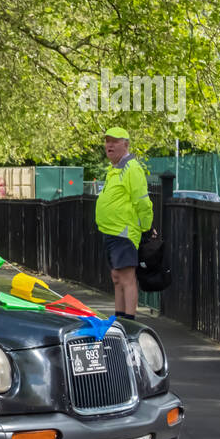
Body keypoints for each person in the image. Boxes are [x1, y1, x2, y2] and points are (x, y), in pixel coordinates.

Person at [95, 126, 152, 320]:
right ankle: (119, 319)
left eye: (114, 141)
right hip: (112, 232)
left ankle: (129, 323)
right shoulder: (115, 169)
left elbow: (142, 201)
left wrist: (146, 227)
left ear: (125, 144)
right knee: (117, 278)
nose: (109, 145)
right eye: (107, 141)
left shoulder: (132, 168)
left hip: (124, 232)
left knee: (127, 279)